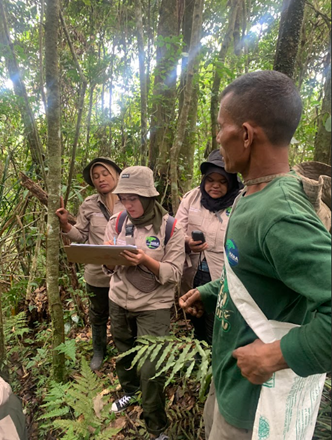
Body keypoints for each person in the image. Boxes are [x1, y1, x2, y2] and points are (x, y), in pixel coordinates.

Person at [179, 70, 331, 439]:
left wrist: (275, 356)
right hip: (229, 382)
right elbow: (252, 269)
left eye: (221, 127)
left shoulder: (281, 213)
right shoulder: (251, 195)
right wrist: (211, 291)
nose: (217, 137)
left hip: (256, 407)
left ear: (246, 135)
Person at [103, 166, 185, 440]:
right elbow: (107, 261)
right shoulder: (116, 221)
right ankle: (130, 392)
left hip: (153, 305)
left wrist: (145, 260)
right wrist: (108, 259)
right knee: (125, 354)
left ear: (149, 197)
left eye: (134, 198)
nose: (128, 204)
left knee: (150, 368)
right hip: (119, 299)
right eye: (124, 198)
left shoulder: (170, 227)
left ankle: (156, 426)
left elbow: (173, 274)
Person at [56, 157, 123, 370]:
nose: (101, 179)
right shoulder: (88, 204)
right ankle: (99, 351)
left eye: (105, 174)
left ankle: (125, 352)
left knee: (123, 314)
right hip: (97, 273)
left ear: (116, 175)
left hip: (126, 271)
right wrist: (66, 224)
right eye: (96, 176)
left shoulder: (130, 199)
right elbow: (81, 235)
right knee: (98, 313)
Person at [175, 150, 243, 344]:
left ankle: (215, 355)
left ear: (231, 182)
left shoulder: (241, 201)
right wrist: (188, 242)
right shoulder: (192, 198)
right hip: (194, 268)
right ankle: (199, 348)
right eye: (210, 180)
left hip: (224, 270)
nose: (215, 185)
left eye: (222, 181)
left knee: (220, 315)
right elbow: (177, 229)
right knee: (195, 309)